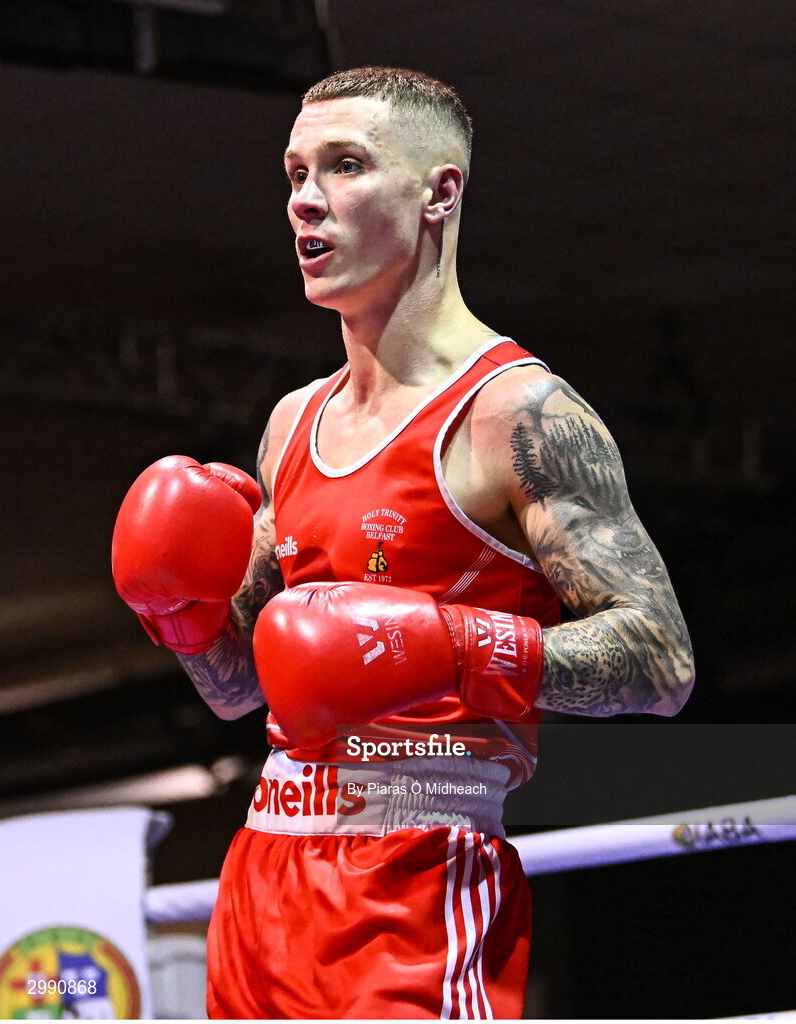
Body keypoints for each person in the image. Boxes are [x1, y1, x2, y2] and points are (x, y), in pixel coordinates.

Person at [112, 66, 695, 1019]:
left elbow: (660, 664)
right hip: (264, 872)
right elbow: (237, 690)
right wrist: (180, 613)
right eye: (295, 172)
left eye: (344, 167)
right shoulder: (292, 422)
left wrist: (449, 649)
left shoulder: (517, 413)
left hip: (418, 875)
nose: (306, 199)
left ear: (439, 191)